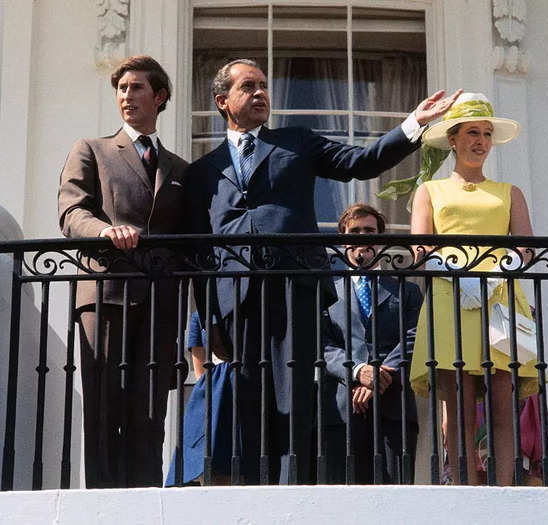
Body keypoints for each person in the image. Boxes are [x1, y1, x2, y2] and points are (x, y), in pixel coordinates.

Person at [184, 58, 459, 484]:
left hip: (296, 289)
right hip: (236, 299)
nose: (260, 93)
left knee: (293, 399)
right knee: (246, 404)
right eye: (248, 87)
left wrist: (412, 127)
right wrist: (210, 320)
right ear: (222, 101)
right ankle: (251, 494)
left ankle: (290, 491)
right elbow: (199, 254)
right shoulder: (204, 171)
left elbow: (360, 163)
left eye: (263, 86)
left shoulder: (297, 142)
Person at [57, 55, 189, 487]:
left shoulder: (180, 169)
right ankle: (101, 502)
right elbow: (71, 211)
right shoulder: (92, 149)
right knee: (103, 407)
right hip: (107, 293)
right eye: (122, 89)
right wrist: (104, 230)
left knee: (150, 410)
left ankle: (148, 498)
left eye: (136, 88)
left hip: (160, 304)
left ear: (160, 96)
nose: (127, 96)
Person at [407, 92, 539, 486]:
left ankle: (503, 490)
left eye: (486, 134)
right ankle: (464, 489)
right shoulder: (429, 191)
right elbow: (419, 249)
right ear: (453, 139)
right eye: (471, 133)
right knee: (458, 405)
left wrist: (500, 273)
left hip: (500, 297)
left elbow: (527, 246)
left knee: (502, 401)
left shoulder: (509, 191)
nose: (480, 141)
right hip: (450, 296)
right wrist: (456, 275)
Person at [321, 203, 422, 484]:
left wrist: (378, 375)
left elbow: (413, 336)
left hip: (394, 410)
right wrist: (357, 371)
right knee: (344, 498)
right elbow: (322, 344)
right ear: (343, 241)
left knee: (396, 497)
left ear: (380, 239)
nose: (362, 237)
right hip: (343, 409)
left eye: (369, 230)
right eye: (355, 231)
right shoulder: (327, 293)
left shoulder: (407, 290)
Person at [165, 312, 236, 486]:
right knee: (207, 460)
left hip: (240, 385)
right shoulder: (200, 315)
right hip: (214, 391)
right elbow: (200, 371)